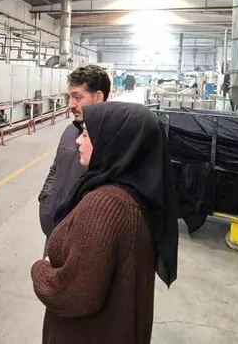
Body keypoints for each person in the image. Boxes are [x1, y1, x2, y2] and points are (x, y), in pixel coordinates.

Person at [31, 102, 179, 344]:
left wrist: (41, 269)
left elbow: (72, 294)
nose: (78, 141)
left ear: (113, 142)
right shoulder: (136, 196)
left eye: (86, 134)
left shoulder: (104, 206)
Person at [38, 65, 111, 239]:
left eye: (77, 97)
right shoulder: (71, 131)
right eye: (69, 97)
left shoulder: (109, 140)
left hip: (80, 240)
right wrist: (46, 199)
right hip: (53, 232)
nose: (70, 105)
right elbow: (55, 169)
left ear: (98, 97)